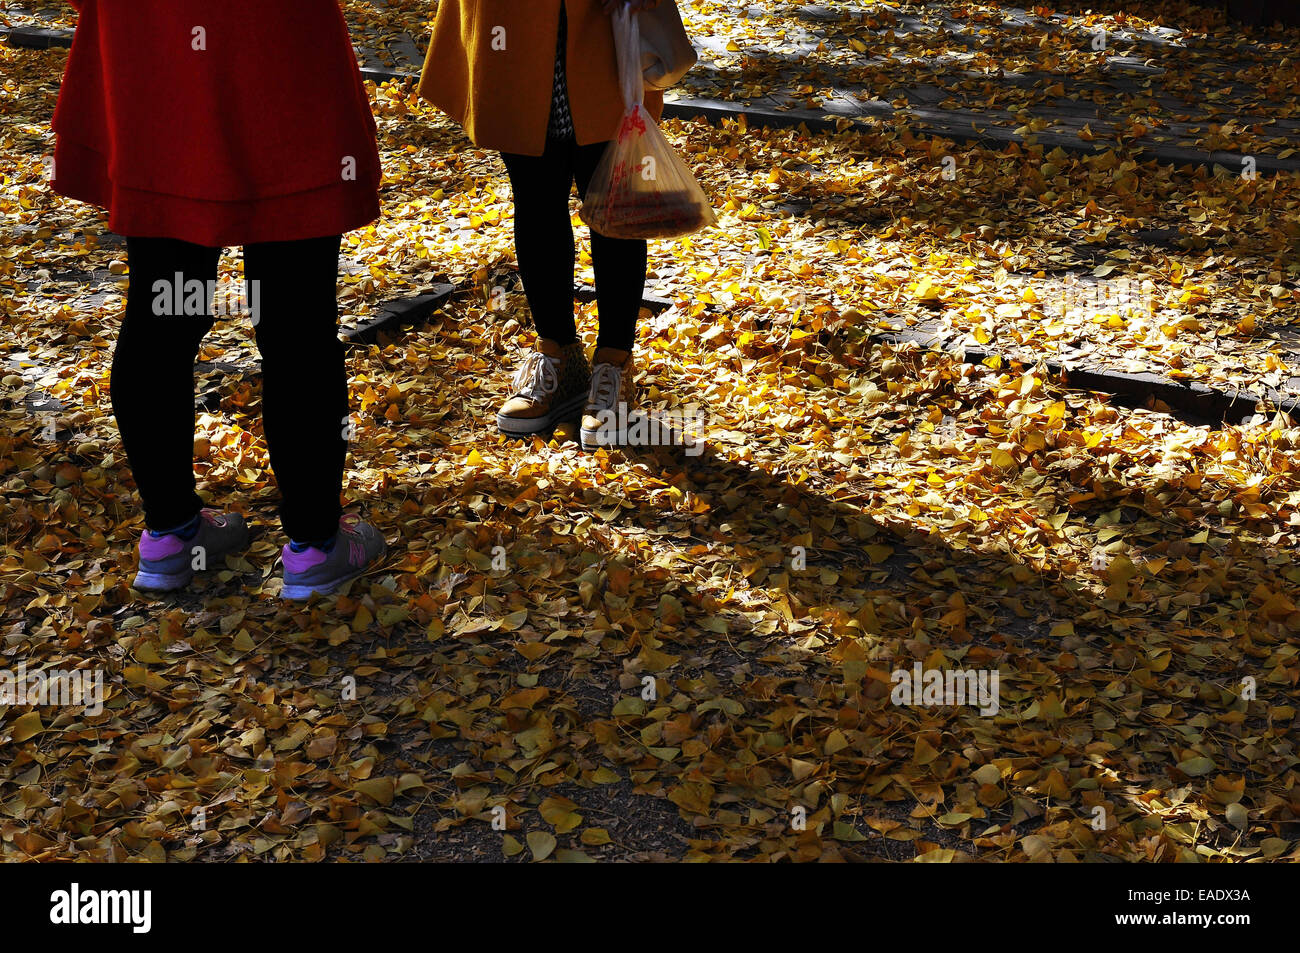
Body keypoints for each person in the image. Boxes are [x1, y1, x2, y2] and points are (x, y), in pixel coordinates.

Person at [51, 0, 388, 599]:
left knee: (161, 309)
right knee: (297, 319)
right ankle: (313, 547)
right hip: (277, 66)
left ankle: (171, 536)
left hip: (155, 71)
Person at [418, 0, 663, 449]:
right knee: (534, 193)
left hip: (602, 18)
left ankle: (614, 363)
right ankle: (558, 355)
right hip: (509, 19)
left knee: (613, 193)